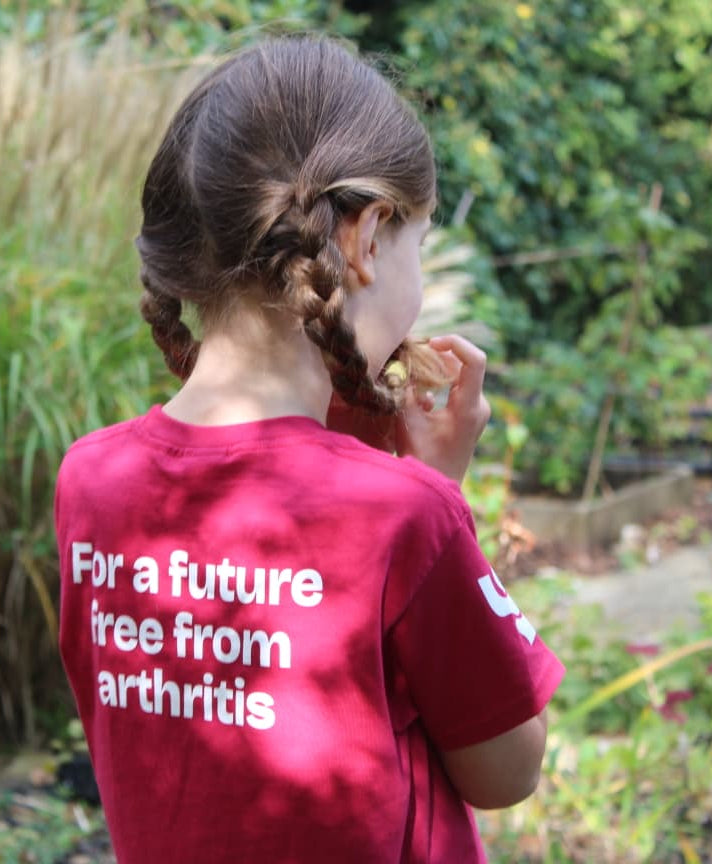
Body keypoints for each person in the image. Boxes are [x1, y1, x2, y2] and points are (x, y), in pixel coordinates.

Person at [56, 35, 564, 863]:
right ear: (365, 240)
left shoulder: (92, 478)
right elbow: (508, 769)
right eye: (419, 246)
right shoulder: (405, 513)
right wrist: (441, 495)